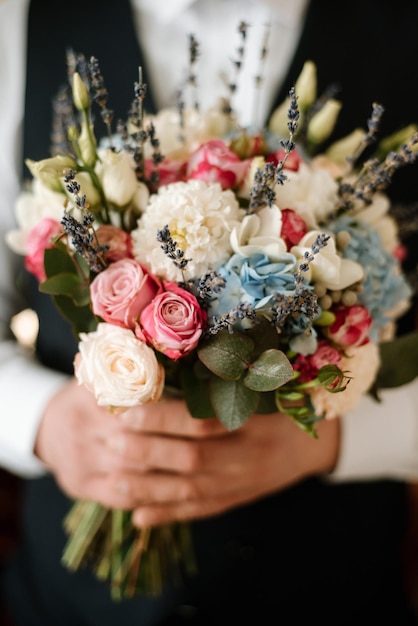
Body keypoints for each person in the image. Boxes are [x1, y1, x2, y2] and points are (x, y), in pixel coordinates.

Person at [1, 0, 418, 624]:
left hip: (332, 591)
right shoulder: (19, 20)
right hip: (68, 602)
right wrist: (39, 419)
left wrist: (331, 442)